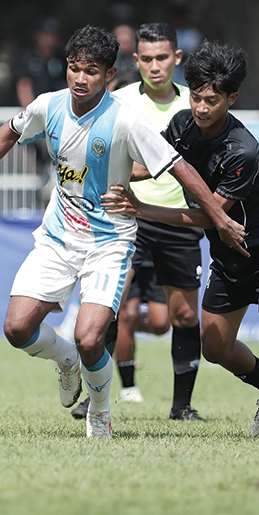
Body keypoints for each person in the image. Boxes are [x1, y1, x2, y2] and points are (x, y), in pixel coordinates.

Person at [0, 25, 245, 439]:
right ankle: (66, 361)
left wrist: (220, 217)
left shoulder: (126, 120)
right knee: (17, 329)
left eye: (91, 71)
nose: (80, 79)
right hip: (57, 238)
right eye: (74, 68)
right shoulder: (48, 105)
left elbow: (180, 167)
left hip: (109, 243)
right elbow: (10, 131)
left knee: (90, 338)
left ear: (109, 74)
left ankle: (100, 411)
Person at [102, 41, 259, 440]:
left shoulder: (242, 151)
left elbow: (212, 216)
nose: (201, 108)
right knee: (215, 349)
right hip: (228, 258)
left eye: (212, 100)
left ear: (232, 98)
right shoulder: (182, 125)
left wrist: (141, 208)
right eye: (196, 97)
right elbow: (148, 164)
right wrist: (104, 169)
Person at [71, 22, 206, 422]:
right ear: (136, 60)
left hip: (178, 220)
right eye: (146, 59)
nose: (155, 66)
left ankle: (182, 407)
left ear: (177, 57)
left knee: (182, 317)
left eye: (162, 57)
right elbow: (95, 151)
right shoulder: (119, 100)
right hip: (128, 218)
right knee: (109, 308)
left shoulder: (196, 104)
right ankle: (95, 397)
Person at [14, 18, 66, 107]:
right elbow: (24, 85)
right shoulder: (27, 57)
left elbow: (65, 86)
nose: (49, 40)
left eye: (53, 36)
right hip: (32, 108)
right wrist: (31, 110)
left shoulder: (61, 59)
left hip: (55, 108)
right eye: (46, 35)